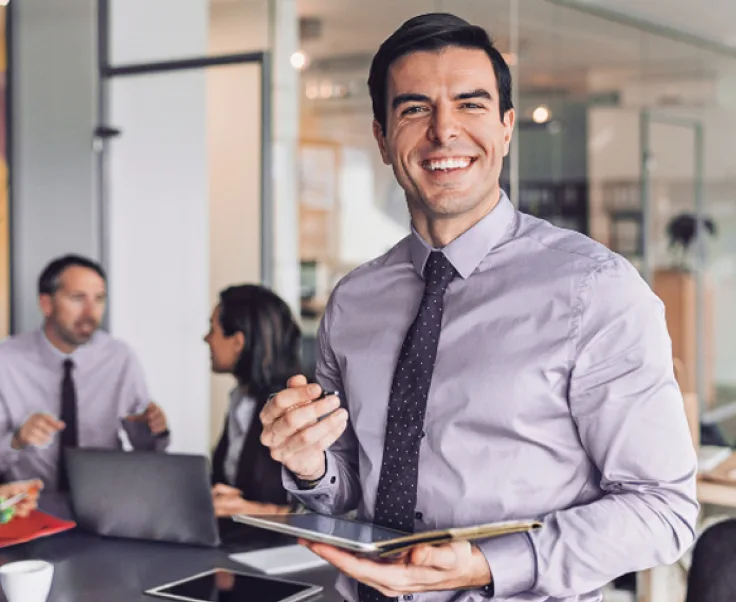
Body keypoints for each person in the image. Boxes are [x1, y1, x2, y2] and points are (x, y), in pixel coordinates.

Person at [259, 12, 699, 602]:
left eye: (470, 104)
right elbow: (348, 492)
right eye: (414, 108)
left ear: (507, 127)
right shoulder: (353, 301)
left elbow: (663, 508)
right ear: (383, 139)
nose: (444, 131)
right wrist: (310, 465)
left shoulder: (595, 290)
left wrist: (489, 566)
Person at [0, 255, 169, 491]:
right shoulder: (6, 360)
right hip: (29, 507)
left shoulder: (119, 357)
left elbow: (149, 451)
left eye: (99, 299)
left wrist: (153, 430)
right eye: (77, 298)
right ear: (46, 304)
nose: (91, 312)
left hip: (105, 502)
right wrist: (17, 440)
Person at [204, 284, 300, 521]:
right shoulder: (241, 398)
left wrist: (250, 510)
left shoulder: (294, 406)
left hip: (282, 550)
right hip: (237, 541)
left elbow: (331, 514)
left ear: (238, 341)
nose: (206, 339)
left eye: (212, 329)